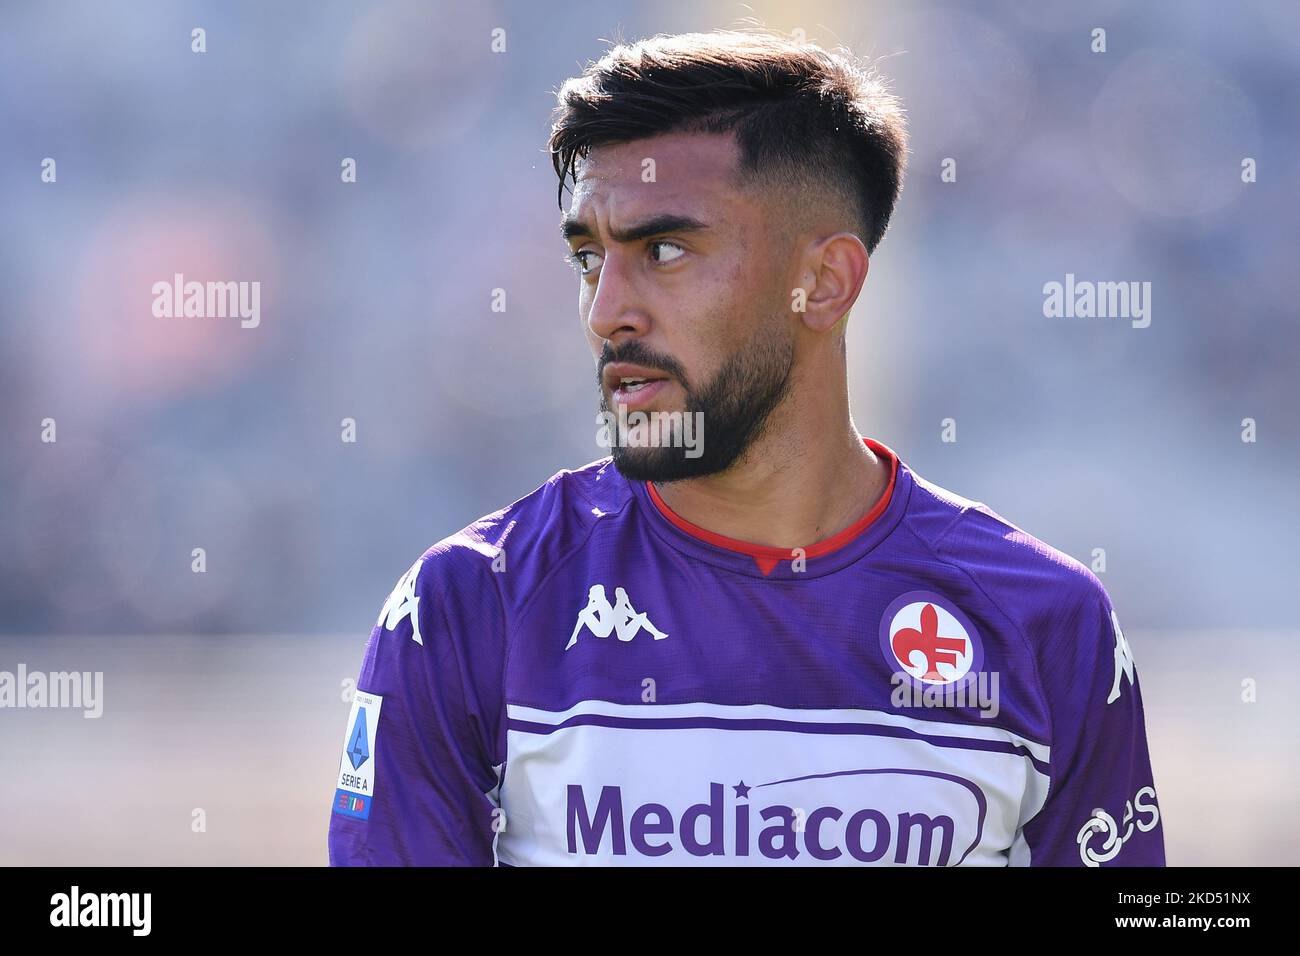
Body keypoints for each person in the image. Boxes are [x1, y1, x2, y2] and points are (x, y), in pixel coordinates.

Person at [328, 29, 1164, 866]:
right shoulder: (472, 604)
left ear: (826, 283)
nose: (606, 310)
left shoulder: (1043, 622)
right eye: (589, 257)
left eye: (663, 249)